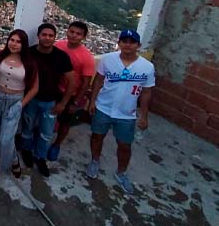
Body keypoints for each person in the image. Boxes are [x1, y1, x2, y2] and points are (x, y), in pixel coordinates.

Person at [86, 30, 155, 195]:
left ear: (138, 45)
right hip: (104, 107)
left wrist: (144, 115)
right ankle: (94, 161)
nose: (127, 44)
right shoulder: (108, 59)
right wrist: (93, 101)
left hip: (127, 113)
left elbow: (146, 92)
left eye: (132, 41)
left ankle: (121, 172)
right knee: (97, 136)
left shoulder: (146, 67)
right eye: (124, 41)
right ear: (119, 43)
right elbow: (98, 81)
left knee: (124, 145)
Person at [0, 29, 38, 180]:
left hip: (15, 100)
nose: (14, 44)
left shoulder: (29, 63)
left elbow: (34, 88)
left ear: (24, 44)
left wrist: (20, 105)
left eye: (18, 41)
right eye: (12, 40)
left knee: (6, 137)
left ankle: (12, 159)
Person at [24, 23, 75, 177]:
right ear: (38, 36)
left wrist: (63, 103)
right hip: (31, 99)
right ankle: (26, 151)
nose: (47, 38)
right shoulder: (29, 53)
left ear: (55, 38)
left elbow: (71, 82)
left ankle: (40, 157)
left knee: (46, 133)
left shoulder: (61, 57)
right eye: (44, 35)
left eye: (50, 36)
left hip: (50, 102)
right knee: (27, 127)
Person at [47, 21, 96, 161]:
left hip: (73, 94)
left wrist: (75, 102)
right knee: (47, 115)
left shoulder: (86, 57)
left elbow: (86, 82)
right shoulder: (59, 45)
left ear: (84, 37)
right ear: (67, 31)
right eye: (72, 32)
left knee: (65, 121)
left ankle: (56, 145)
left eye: (78, 34)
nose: (74, 36)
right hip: (55, 88)